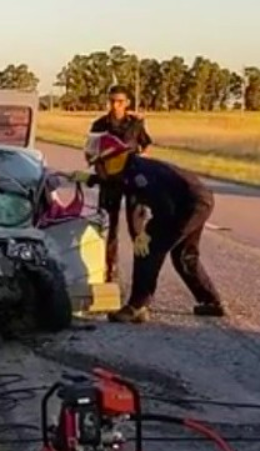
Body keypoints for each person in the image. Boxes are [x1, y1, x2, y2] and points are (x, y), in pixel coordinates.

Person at [80, 132, 225, 323]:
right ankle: (211, 302)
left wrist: (146, 234)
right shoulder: (128, 168)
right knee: (183, 255)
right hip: (196, 199)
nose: (98, 170)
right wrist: (90, 179)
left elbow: (164, 209)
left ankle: (137, 306)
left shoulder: (140, 176)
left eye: (98, 165)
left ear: (109, 160)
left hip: (187, 205)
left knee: (148, 251)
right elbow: (117, 184)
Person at [89, 86, 154, 282]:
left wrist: (142, 159)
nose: (114, 105)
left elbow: (146, 144)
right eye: (111, 101)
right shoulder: (99, 125)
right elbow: (91, 152)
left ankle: (142, 274)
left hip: (133, 179)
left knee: (137, 229)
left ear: (126, 103)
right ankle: (109, 271)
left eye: (119, 101)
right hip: (109, 180)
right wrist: (100, 170)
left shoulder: (135, 124)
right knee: (108, 227)